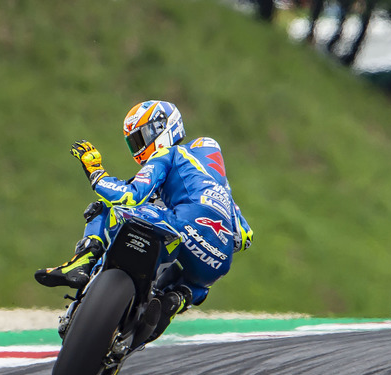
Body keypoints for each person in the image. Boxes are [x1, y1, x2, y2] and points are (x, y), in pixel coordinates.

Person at [35, 100, 253, 331]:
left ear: (162, 128)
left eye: (142, 137)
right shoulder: (219, 184)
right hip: (218, 260)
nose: (139, 148)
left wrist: (96, 172)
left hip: (180, 226)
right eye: (134, 143)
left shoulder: (169, 153)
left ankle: (82, 262)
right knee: (193, 286)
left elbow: (131, 195)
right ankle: (175, 300)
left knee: (105, 207)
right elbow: (243, 237)